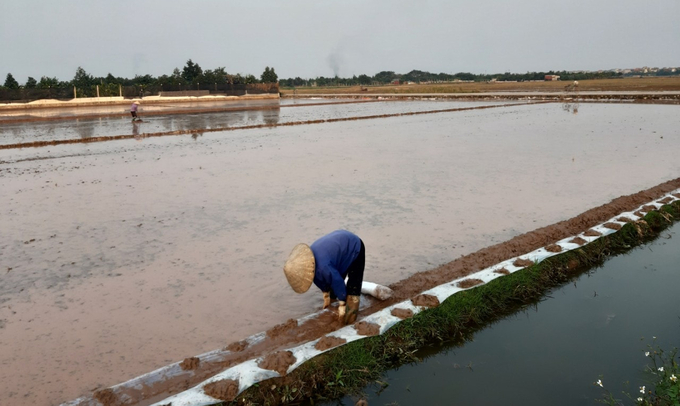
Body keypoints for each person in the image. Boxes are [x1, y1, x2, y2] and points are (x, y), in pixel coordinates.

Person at [283, 230, 365, 324]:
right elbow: (320, 279)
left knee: (353, 289)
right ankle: (333, 311)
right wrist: (326, 295)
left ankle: (350, 321)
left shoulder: (324, 267)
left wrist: (342, 303)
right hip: (338, 253)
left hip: (354, 246)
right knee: (332, 289)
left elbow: (337, 281)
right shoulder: (312, 262)